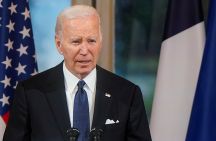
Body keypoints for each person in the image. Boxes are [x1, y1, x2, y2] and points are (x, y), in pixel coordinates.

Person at [3, 4, 151, 141]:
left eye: (91, 41)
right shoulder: (30, 93)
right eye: (76, 42)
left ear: (100, 41)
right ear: (59, 44)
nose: (85, 51)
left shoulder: (127, 94)